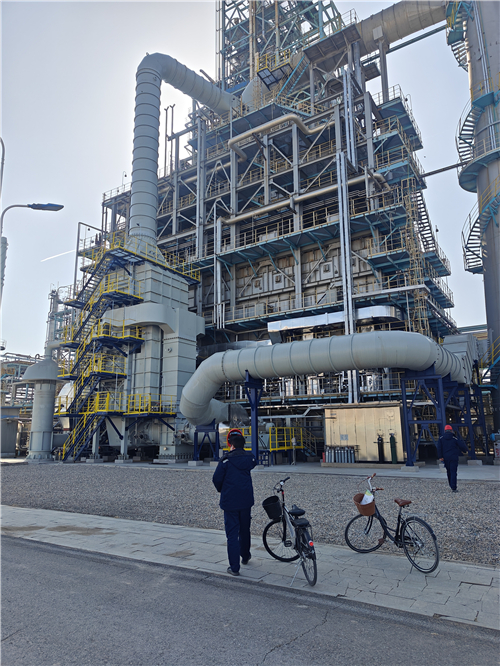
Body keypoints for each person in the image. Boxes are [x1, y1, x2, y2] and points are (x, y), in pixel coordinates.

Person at [212, 432, 257, 576]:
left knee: (232, 534)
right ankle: (245, 555)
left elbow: (216, 479)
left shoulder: (226, 460)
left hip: (230, 500)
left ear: (231, 445)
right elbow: (253, 462)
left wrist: (222, 489)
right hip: (246, 500)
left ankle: (234, 567)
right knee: (245, 529)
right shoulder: (249, 458)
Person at [437, 424, 469, 493]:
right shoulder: (454, 438)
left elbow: (439, 448)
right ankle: (454, 487)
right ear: (451, 430)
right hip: (454, 457)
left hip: (446, 457)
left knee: (448, 471)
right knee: (453, 471)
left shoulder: (441, 438)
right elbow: (461, 445)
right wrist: (465, 451)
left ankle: (451, 485)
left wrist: (440, 456)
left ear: (445, 431)